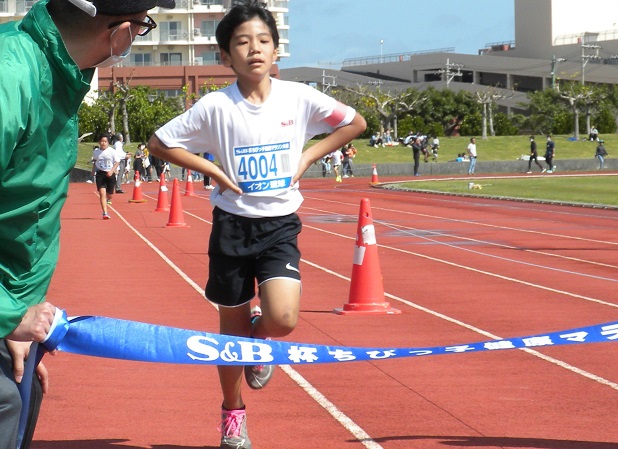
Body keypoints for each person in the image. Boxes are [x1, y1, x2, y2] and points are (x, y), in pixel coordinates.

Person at [146, 2, 366, 447]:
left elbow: (354, 123)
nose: (254, 49)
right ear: (226, 56)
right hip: (231, 225)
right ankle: (233, 413)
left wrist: (307, 155)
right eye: (242, 42)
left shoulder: (299, 97)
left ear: (276, 49)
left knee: (283, 320)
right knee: (230, 333)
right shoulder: (214, 106)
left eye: (263, 40)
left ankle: (259, 338)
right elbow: (159, 143)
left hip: (280, 223)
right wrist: (212, 170)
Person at [0, 0, 175, 448]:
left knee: (22, 395)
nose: (136, 40)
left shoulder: (56, 76)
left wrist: (14, 324)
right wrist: (6, 315)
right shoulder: (11, 77)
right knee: (4, 403)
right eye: (141, 28)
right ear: (117, 33)